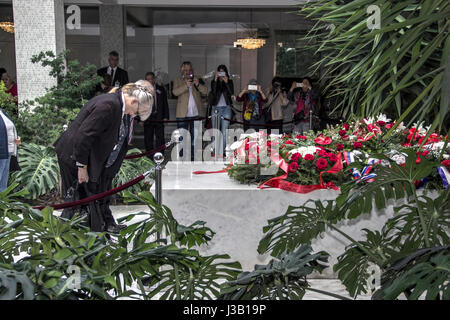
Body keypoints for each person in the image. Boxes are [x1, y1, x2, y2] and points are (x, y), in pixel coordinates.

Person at [54, 83, 153, 233]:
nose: (133, 116)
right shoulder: (108, 105)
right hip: (72, 156)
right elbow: (84, 136)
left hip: (82, 156)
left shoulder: (115, 104)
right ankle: (66, 237)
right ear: (133, 101)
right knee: (76, 200)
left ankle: (89, 234)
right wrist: (82, 167)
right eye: (137, 112)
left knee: (85, 199)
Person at [172, 61, 208, 161]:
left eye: (190, 70)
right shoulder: (178, 80)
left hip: (196, 114)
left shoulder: (197, 79)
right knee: (182, 138)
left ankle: (193, 158)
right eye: (186, 70)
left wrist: (198, 84)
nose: (188, 72)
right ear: (182, 71)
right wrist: (186, 85)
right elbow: (175, 92)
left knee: (195, 139)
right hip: (182, 114)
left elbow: (205, 91)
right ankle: (182, 158)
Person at [209, 65, 234, 157]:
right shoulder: (214, 82)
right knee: (215, 130)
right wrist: (215, 80)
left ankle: (222, 152)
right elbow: (213, 92)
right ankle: (214, 150)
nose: (221, 74)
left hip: (226, 108)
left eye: (223, 72)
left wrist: (227, 82)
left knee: (224, 131)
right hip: (215, 108)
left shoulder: (230, 81)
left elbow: (231, 93)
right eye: (219, 72)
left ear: (226, 73)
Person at [143, 72, 170, 153]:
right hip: (148, 118)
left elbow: (165, 103)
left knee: (160, 138)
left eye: (150, 79)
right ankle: (149, 156)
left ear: (154, 79)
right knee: (148, 138)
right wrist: (140, 119)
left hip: (159, 117)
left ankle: (160, 155)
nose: (149, 81)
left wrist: (166, 117)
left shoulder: (161, 89)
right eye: (147, 79)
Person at [0, 108, 21, 192]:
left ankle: (2, 202)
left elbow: (9, 130)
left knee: (3, 182)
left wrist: (16, 139)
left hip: (9, 151)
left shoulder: (2, 112)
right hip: (1, 152)